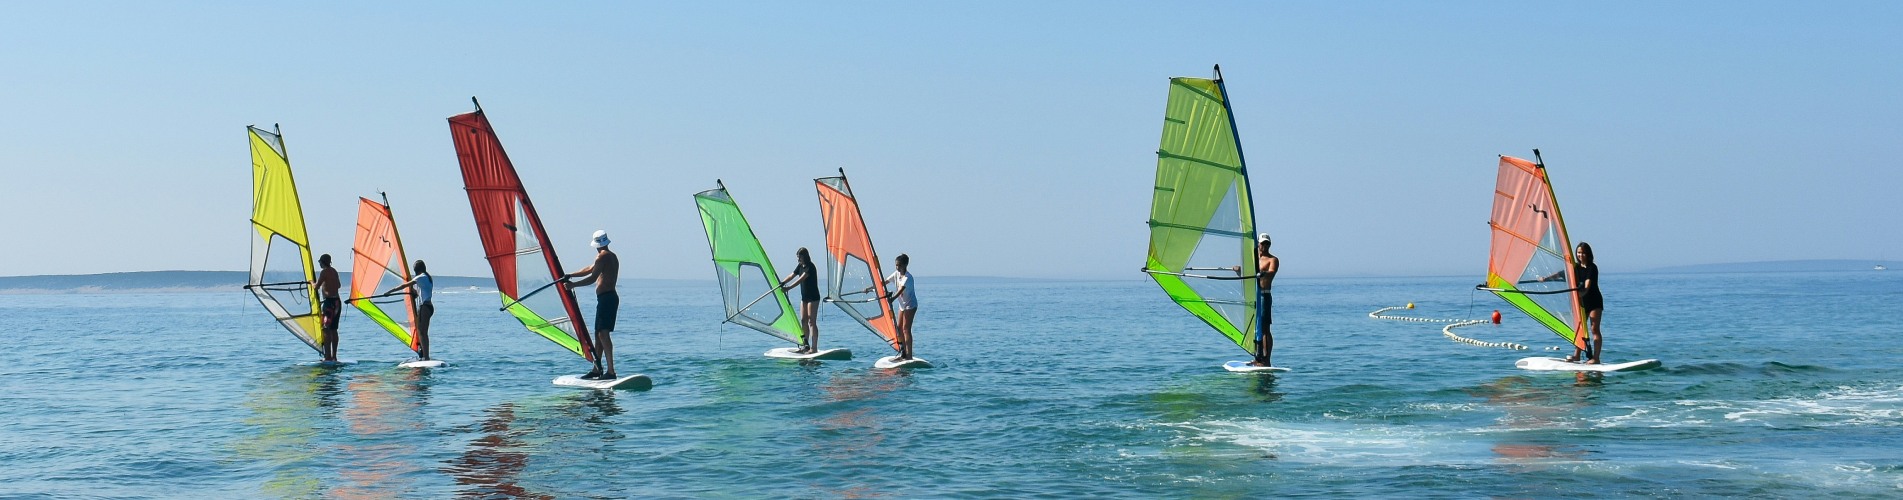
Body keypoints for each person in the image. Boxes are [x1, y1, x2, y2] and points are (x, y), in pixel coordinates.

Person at [566, 230, 619, 379]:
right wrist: (570, 275)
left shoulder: (603, 257)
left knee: (603, 333)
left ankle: (611, 371)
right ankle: (597, 369)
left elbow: (592, 277)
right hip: (606, 298)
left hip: (607, 298)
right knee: (598, 334)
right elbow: (590, 269)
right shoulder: (610, 256)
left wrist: (573, 285)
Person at [381, 260, 435, 361]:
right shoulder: (426, 277)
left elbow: (404, 286)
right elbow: (420, 292)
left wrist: (390, 292)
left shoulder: (421, 277)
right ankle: (424, 355)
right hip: (428, 307)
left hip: (425, 308)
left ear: (417, 270)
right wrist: (414, 292)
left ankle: (426, 357)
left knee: (423, 333)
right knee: (420, 331)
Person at [779, 248, 821, 354]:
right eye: (797, 257)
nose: (798, 259)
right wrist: (782, 282)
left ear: (805, 256)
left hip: (813, 297)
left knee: (811, 321)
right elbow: (792, 275)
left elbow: (800, 279)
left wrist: (788, 288)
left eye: (800, 257)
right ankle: (805, 346)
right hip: (804, 298)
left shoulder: (810, 267)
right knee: (803, 320)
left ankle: (814, 348)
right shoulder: (800, 266)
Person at [1571, 242, 1604, 364]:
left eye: (1583, 252)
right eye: (1579, 252)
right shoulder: (1575, 268)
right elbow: (1562, 275)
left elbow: (1587, 286)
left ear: (1588, 254)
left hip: (1594, 301)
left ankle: (1596, 358)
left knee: (1594, 329)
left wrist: (1580, 294)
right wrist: (1545, 279)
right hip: (1581, 301)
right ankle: (1577, 355)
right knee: (1580, 329)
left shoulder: (1592, 267)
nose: (1581, 255)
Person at [882, 254, 918, 360]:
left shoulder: (908, 278)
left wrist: (892, 299)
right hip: (902, 305)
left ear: (905, 265)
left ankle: (909, 355)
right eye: (896, 265)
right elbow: (885, 282)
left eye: (899, 265)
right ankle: (903, 352)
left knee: (906, 329)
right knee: (898, 328)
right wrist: (871, 288)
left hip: (910, 305)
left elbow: (900, 290)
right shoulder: (896, 274)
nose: (897, 267)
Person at [1251, 234, 1279, 367]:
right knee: (1256, 328)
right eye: (1262, 243)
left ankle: (1266, 360)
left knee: (1265, 328)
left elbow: (1272, 271)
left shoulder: (1273, 259)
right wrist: (1238, 269)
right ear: (1258, 244)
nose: (1264, 246)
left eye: (1267, 243)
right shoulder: (1253, 258)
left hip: (1264, 295)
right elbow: (1246, 271)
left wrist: (1264, 273)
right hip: (1253, 296)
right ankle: (1258, 358)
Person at [315, 253, 342, 362]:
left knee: (326, 330)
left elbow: (316, 287)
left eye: (320, 262)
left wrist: (311, 283)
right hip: (337, 302)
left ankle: (327, 357)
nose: (319, 264)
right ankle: (334, 356)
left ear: (322, 262)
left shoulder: (324, 272)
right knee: (334, 330)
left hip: (329, 304)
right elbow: (339, 285)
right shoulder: (334, 271)